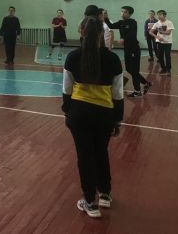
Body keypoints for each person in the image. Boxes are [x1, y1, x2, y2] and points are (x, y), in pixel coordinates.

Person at [62, 17, 124, 218]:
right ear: (101, 34)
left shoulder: (73, 57)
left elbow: (66, 90)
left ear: (81, 31)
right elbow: (118, 93)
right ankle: (105, 194)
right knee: (101, 152)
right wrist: (117, 119)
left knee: (85, 157)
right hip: (104, 114)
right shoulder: (113, 59)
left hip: (79, 114)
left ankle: (90, 202)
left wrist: (68, 112)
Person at [106, 6, 152, 97]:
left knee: (134, 70)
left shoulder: (132, 22)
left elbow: (132, 34)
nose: (122, 13)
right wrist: (106, 18)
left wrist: (123, 39)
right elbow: (111, 26)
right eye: (122, 11)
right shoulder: (120, 22)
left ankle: (137, 91)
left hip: (134, 49)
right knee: (128, 69)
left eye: (125, 12)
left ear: (130, 14)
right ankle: (146, 83)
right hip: (127, 49)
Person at [150, 10, 175, 76]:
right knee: (160, 56)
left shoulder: (169, 22)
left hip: (167, 42)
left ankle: (168, 70)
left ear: (164, 15)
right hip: (160, 42)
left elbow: (168, 32)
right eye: (158, 14)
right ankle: (163, 68)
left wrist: (160, 32)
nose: (158, 16)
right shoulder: (156, 23)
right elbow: (150, 32)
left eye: (160, 14)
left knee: (167, 56)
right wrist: (157, 37)